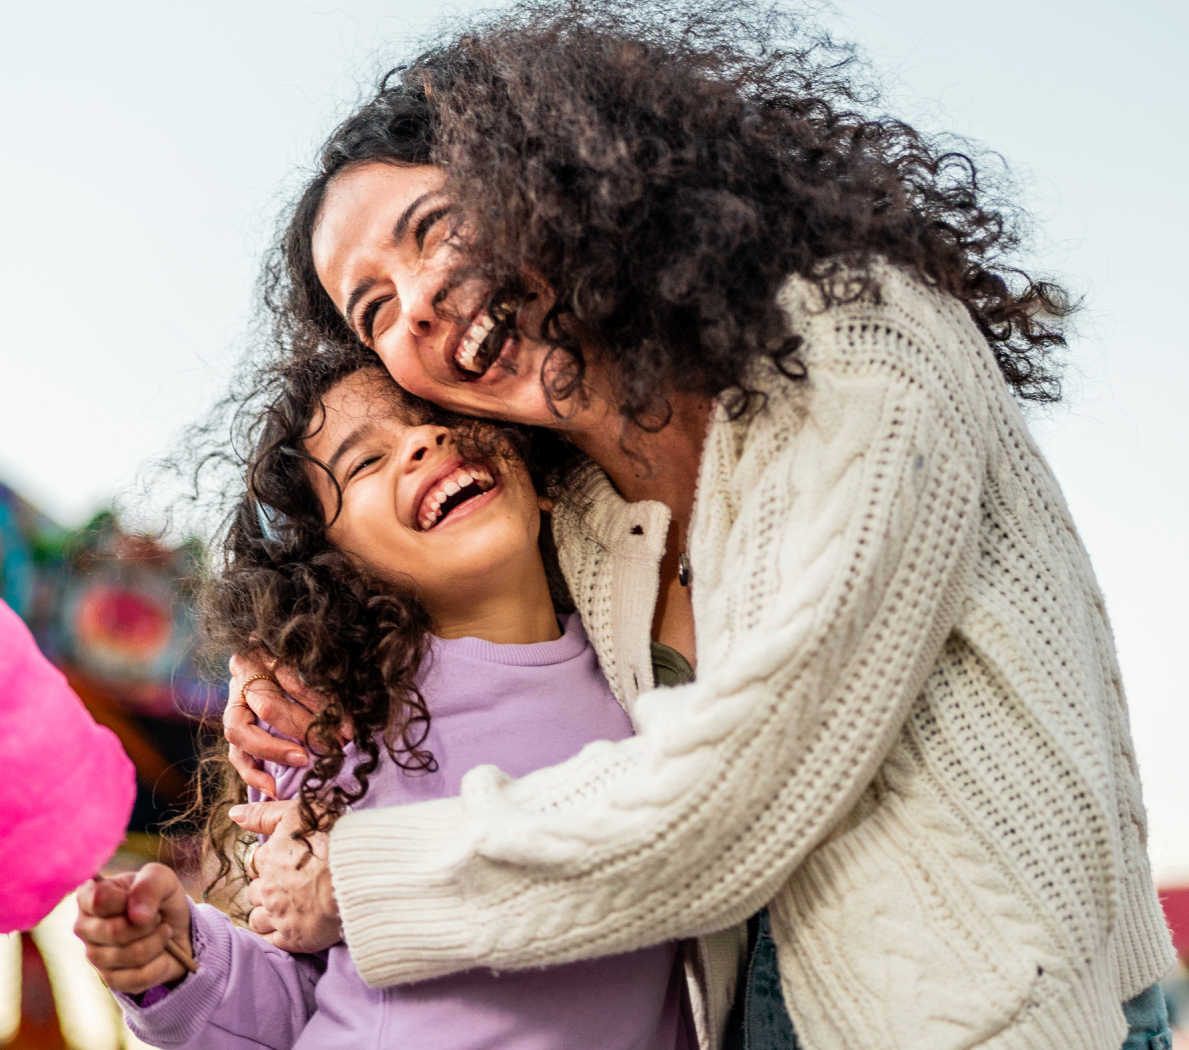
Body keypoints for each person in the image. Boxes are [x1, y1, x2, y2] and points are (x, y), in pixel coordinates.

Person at [102, 4, 1172, 1048]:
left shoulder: (858, 344)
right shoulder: (584, 510)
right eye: (374, 310)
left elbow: (752, 779)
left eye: (432, 232)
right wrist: (285, 660)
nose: (418, 303)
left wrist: (359, 877)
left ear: (553, 176)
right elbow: (427, 599)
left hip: (1007, 1010)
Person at [77, 356, 694, 1049]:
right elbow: (305, 995)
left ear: (539, 477)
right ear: (337, 565)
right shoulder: (334, 721)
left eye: (437, 418)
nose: (421, 443)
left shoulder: (636, 673)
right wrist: (185, 966)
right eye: (366, 460)